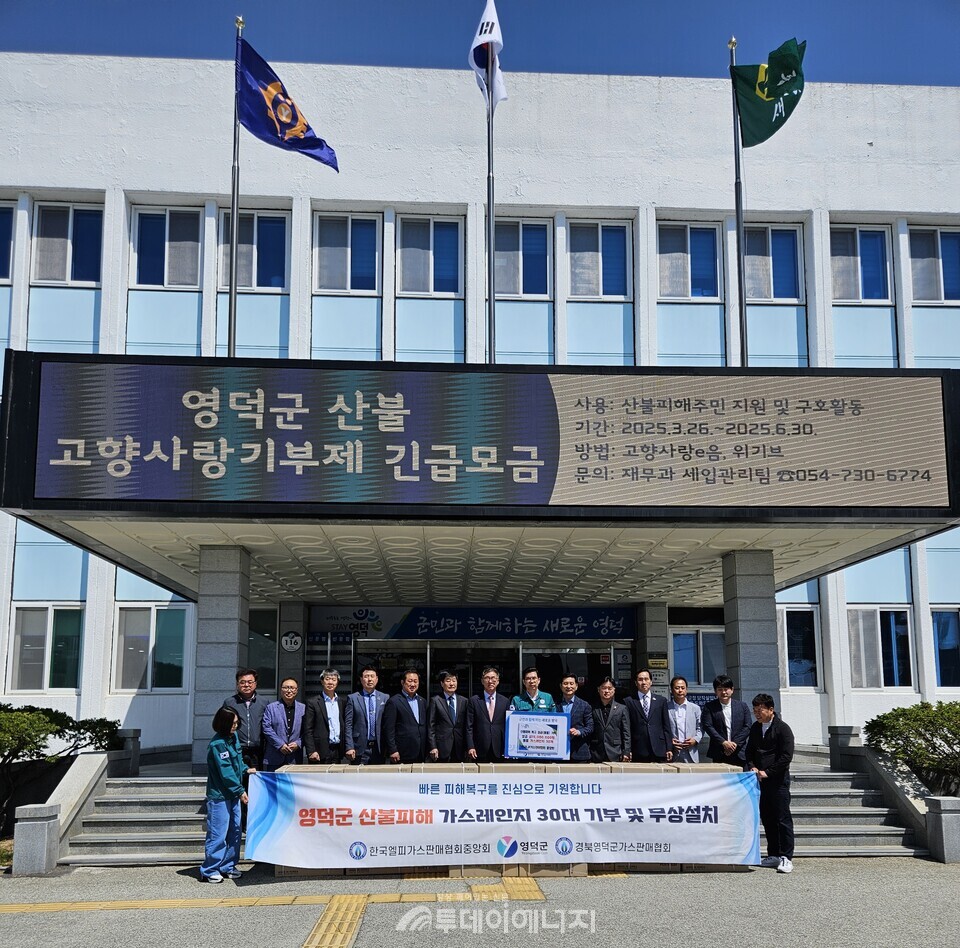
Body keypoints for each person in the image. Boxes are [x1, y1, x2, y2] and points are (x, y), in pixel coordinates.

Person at [200, 707, 254, 883]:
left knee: (235, 831)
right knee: (218, 833)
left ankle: (228, 866)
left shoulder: (233, 737)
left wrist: (246, 769)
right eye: (232, 723)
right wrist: (240, 791)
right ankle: (210, 869)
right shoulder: (217, 744)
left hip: (233, 794)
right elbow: (226, 771)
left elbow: (237, 761)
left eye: (237, 723)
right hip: (220, 795)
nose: (235, 726)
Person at [745, 693, 796, 874]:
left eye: (760, 710)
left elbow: (786, 756)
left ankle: (786, 857)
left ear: (771, 709)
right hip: (760, 781)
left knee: (782, 819)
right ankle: (773, 854)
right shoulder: (755, 728)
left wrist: (768, 772)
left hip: (778, 781)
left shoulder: (783, 729)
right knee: (768, 818)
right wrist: (752, 767)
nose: (757, 714)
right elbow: (749, 751)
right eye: (755, 710)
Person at [624, 669, 672, 762]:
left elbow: (666, 726)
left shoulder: (661, 701)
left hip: (659, 748)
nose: (643, 682)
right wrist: (627, 750)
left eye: (646, 679)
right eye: (640, 679)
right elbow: (627, 728)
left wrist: (669, 748)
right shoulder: (628, 701)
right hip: (638, 748)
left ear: (651, 682)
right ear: (635, 683)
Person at [702, 675, 752, 766]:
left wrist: (734, 744)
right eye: (720, 689)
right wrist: (723, 742)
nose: (724, 692)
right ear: (715, 691)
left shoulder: (742, 706)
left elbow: (747, 726)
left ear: (732, 690)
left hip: (739, 752)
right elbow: (708, 726)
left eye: (726, 689)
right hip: (719, 752)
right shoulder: (709, 707)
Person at [222, 668, 265, 771]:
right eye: (242, 682)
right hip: (236, 749)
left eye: (250, 682)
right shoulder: (229, 702)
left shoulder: (264, 702)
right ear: (237, 684)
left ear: (255, 684)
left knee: (255, 778)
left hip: (257, 751)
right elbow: (224, 726)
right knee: (238, 777)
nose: (246, 685)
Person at [345, 665, 389, 765]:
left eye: (372, 676)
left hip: (379, 747)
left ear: (377, 679)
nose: (369, 679)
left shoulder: (385, 698)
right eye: (366, 676)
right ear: (361, 680)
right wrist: (349, 746)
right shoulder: (353, 698)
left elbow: (388, 724)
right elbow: (348, 725)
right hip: (359, 747)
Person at [382, 668, 428, 763]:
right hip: (402, 752)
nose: (413, 684)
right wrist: (393, 749)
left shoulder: (422, 701)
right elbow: (388, 728)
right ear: (402, 682)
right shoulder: (394, 702)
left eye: (415, 681)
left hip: (421, 751)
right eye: (410, 681)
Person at [466, 665, 509, 762]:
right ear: (482, 681)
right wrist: (470, 746)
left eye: (493, 678)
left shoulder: (505, 701)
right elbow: (469, 727)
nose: (490, 681)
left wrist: (508, 747)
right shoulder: (474, 700)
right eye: (487, 678)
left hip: (499, 748)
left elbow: (508, 726)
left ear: (498, 681)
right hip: (479, 748)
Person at [303, 668, 347, 764]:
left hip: (337, 750)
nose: (330, 682)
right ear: (322, 681)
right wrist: (311, 751)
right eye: (327, 679)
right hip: (319, 751)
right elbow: (308, 729)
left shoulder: (342, 702)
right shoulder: (313, 702)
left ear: (337, 682)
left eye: (334, 679)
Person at [262, 677, 305, 770]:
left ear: (297, 690)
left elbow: (307, 730)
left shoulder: (303, 708)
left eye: (292, 688)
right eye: (286, 687)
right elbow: (266, 728)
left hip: (295, 757)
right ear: (281, 690)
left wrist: (298, 743)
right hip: (274, 756)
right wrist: (280, 744)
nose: (289, 691)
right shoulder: (271, 708)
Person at [428, 670, 468, 762]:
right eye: (448, 680)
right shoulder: (435, 700)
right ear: (442, 683)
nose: (451, 683)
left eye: (454, 680)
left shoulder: (464, 701)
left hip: (459, 747)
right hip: (441, 747)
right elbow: (431, 726)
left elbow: (467, 726)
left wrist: (468, 746)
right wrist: (433, 746)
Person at [591, 676, 631, 762]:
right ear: (598, 689)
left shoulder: (622, 708)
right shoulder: (593, 708)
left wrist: (626, 751)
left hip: (616, 751)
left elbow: (626, 732)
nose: (607, 691)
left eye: (609, 688)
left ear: (614, 690)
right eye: (604, 688)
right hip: (596, 752)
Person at [557, 674, 594, 761]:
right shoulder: (554, 704)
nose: (568, 686)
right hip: (559, 752)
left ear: (576, 686)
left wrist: (579, 732)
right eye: (565, 683)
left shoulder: (585, 705)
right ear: (561, 686)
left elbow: (590, 727)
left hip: (579, 752)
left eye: (571, 683)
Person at [666, 675, 702, 763]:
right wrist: (669, 742)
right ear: (671, 690)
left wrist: (695, 740)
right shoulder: (666, 708)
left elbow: (700, 728)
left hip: (691, 752)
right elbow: (661, 728)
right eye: (677, 688)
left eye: (683, 688)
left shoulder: (695, 708)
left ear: (686, 690)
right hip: (673, 752)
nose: (680, 690)